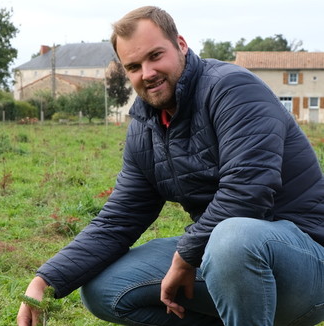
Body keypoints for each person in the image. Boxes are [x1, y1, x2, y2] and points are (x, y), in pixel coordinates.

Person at [17, 5, 324, 326]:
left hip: (307, 263)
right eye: (133, 66)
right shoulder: (145, 126)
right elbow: (119, 218)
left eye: (155, 56)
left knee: (232, 236)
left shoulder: (232, 89)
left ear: (181, 44)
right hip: (227, 260)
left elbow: (248, 191)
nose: (147, 73)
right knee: (103, 289)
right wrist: (45, 281)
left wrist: (184, 258)